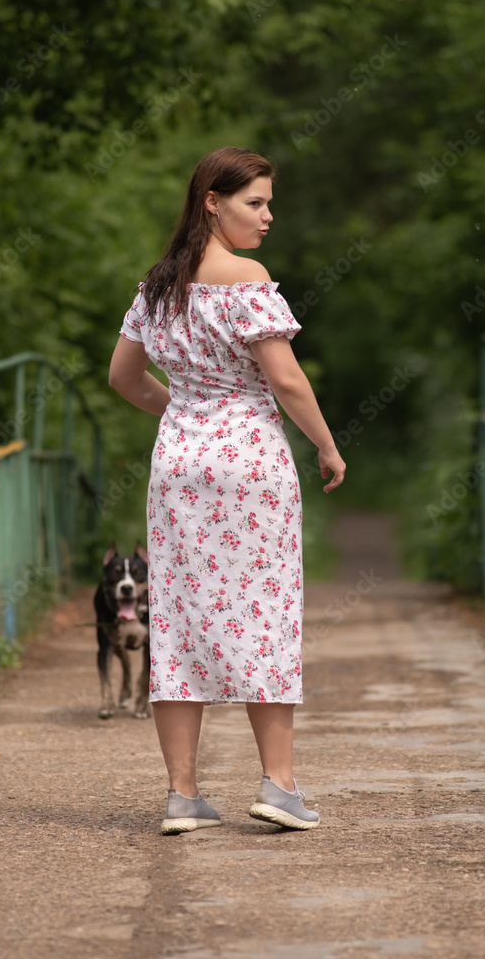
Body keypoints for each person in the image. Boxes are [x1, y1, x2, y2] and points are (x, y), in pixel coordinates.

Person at [109, 146, 345, 834]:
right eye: (255, 202)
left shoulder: (158, 286)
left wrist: (188, 412)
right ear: (212, 202)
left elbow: (124, 378)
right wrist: (326, 445)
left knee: (178, 618)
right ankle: (279, 786)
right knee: (264, 613)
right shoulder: (248, 279)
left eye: (269, 204)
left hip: (178, 465)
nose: (267, 217)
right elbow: (286, 379)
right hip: (249, 467)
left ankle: (182, 796)